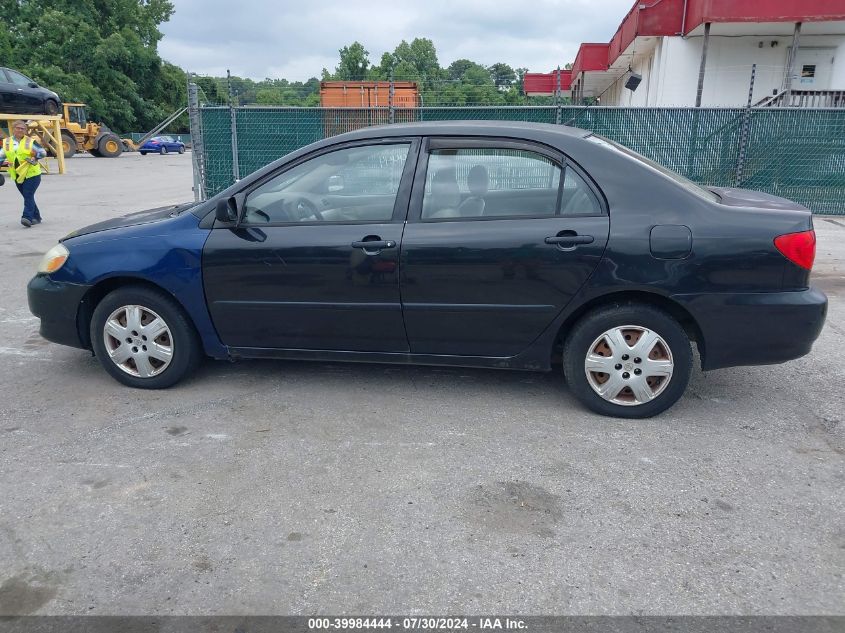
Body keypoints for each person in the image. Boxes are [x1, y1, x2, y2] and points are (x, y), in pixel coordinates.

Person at [0, 120, 46, 227]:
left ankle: (27, 218)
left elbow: (42, 152)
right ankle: (37, 217)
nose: (20, 130)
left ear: (25, 130)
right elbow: (1, 156)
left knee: (28, 194)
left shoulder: (30, 141)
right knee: (27, 196)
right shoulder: (7, 142)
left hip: (32, 174)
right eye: (18, 128)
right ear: (13, 129)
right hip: (17, 175)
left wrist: (35, 157)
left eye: (23, 128)